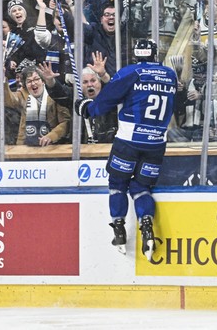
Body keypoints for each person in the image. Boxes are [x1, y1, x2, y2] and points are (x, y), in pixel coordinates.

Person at [75, 39, 177, 258]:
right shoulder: (170, 75)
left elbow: (110, 96)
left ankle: (119, 227)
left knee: (117, 184)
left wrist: (88, 109)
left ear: (136, 54)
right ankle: (147, 225)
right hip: (157, 142)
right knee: (141, 187)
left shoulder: (131, 72)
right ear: (154, 54)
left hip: (129, 140)